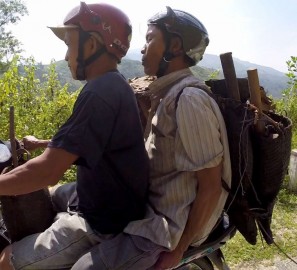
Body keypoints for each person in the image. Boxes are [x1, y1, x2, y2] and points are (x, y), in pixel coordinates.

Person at [71, 6, 232, 270]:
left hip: (165, 229)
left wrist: (178, 250)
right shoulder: (167, 95)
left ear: (176, 46)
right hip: (149, 211)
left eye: (149, 39)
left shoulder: (189, 101)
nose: (143, 48)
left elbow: (211, 186)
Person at [0, 2, 149, 269]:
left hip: (101, 221)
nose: (67, 56)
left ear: (91, 45)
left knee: (5, 259)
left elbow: (48, 171)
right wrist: (44, 144)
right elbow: (86, 142)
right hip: (105, 198)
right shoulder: (113, 85)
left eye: (69, 45)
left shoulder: (99, 93)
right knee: (45, 195)